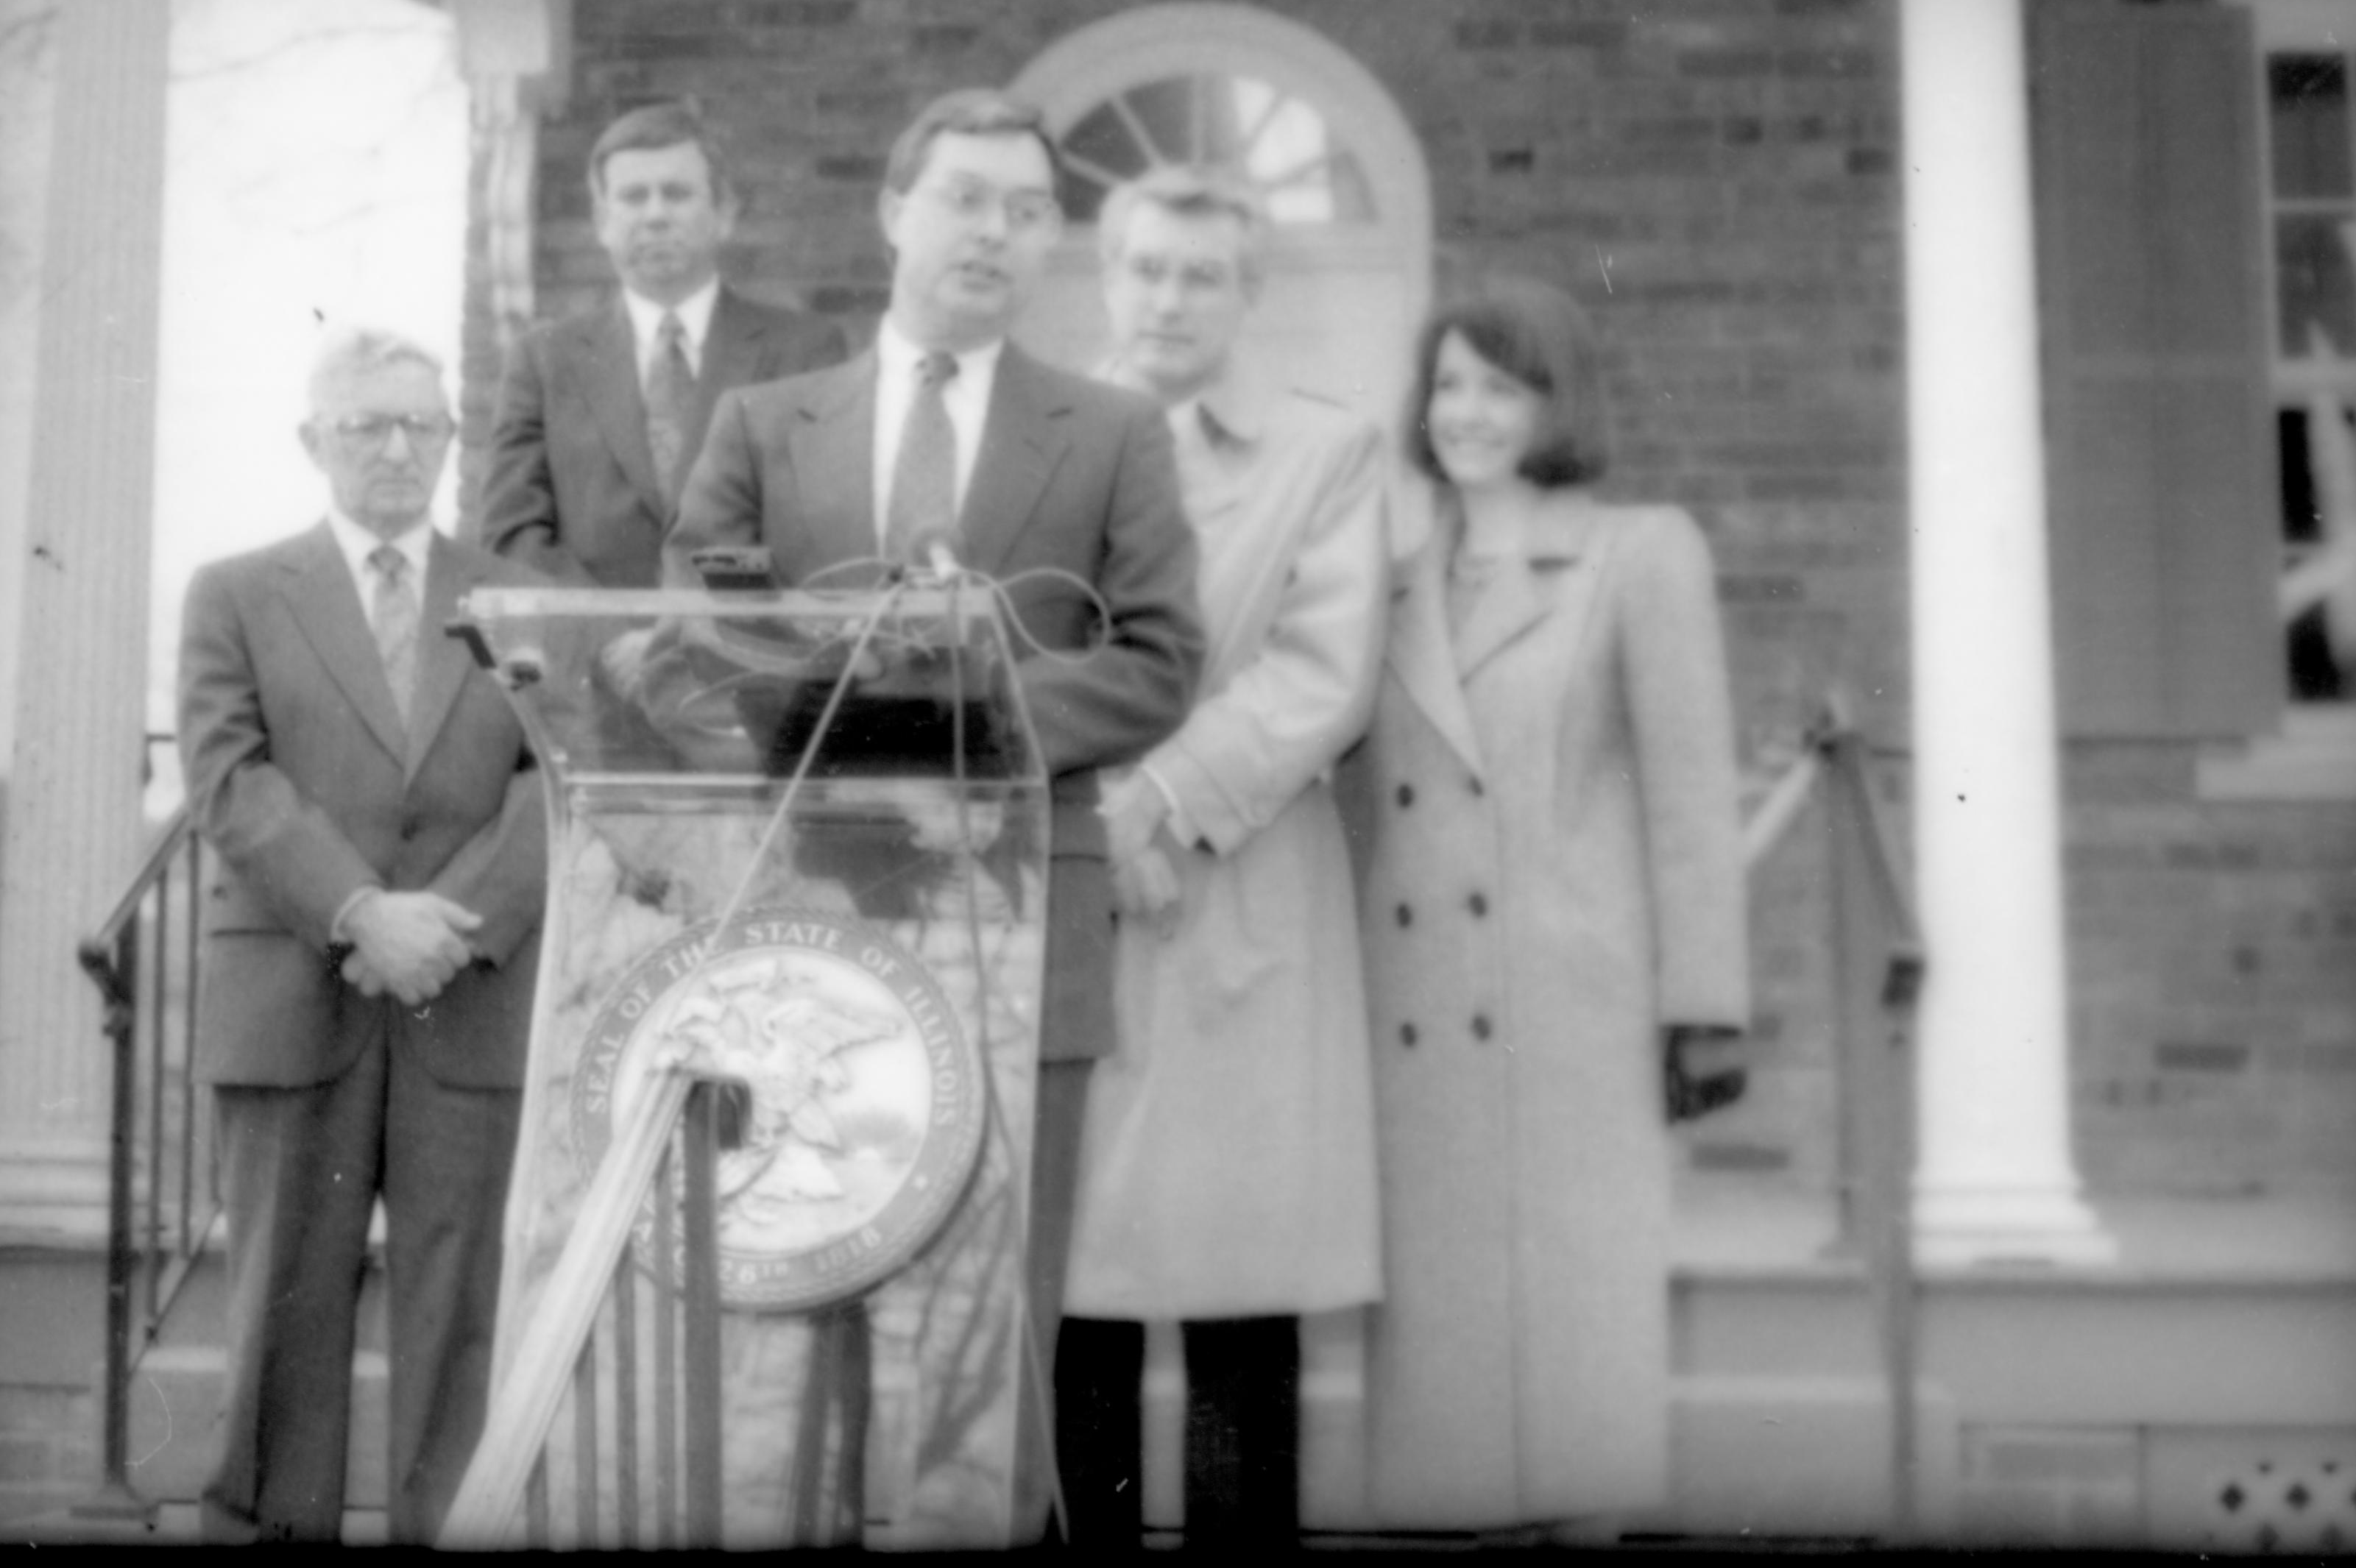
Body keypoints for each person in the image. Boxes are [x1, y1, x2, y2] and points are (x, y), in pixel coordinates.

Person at [662, 88, 1205, 1539]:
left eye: (1030, 212)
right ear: (896, 212)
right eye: (967, 198)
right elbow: (681, 641)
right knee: (799, 1292)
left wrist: (973, 713)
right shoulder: (767, 425)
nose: (998, 233)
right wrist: (860, 710)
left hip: (1019, 919)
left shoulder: (1109, 431)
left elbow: (1160, 659)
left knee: (991, 1325)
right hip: (803, 925)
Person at [1356, 277, 1750, 1539]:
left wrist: (1704, 1009)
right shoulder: (1394, 572)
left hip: (1571, 1002)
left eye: (1500, 385)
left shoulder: (1640, 554)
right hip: (1415, 1008)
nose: (1466, 411)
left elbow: (1692, 797)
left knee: (1577, 1350)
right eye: (1449, 382)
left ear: (1554, 402)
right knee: (1445, 1360)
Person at [1055, 167, 1388, 1548]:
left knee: (1238, 1288)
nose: (1171, 299)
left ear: (1251, 295)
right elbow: (999, 659)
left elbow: (1324, 675)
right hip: (1074, 891)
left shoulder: (1325, 452)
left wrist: (1163, 800)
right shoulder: (1041, 443)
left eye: (1204, 275)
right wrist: (1096, 813)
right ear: (1110, 278)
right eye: (1146, 269)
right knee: (1079, 1292)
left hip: (1237, 889)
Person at [177, 329, 547, 1543]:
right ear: (312, 441)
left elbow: (561, 781)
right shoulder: (236, 591)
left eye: (421, 426)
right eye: (366, 426)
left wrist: (456, 924)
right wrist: (360, 913)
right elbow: (230, 778)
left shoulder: (513, 597)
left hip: (467, 991)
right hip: (297, 990)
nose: (398, 449)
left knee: (462, 1303)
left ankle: (449, 1528)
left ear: (451, 440)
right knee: (286, 1302)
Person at [480, 99, 848, 587]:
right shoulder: (543, 361)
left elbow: (820, 533)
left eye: (676, 194)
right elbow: (513, 537)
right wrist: (610, 639)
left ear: (725, 214)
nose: (655, 215)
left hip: (744, 654)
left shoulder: (804, 352)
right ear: (601, 221)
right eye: (633, 197)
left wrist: (692, 635)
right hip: (592, 655)